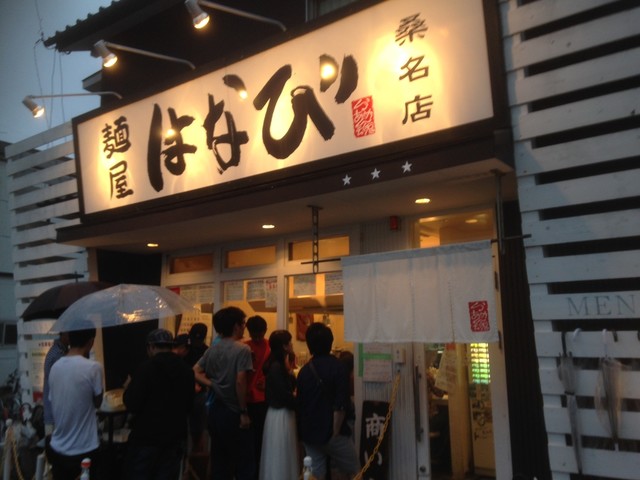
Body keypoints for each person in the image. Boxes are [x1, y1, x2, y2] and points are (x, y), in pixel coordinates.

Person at [123, 328, 195, 480]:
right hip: (174, 439)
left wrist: (128, 388)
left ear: (151, 347)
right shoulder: (187, 370)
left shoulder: (145, 368)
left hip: (146, 438)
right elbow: (190, 405)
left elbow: (132, 403)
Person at [194, 306, 255, 480]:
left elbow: (194, 371)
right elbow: (240, 381)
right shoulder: (242, 349)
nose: (244, 327)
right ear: (236, 326)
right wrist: (243, 412)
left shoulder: (212, 349)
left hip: (215, 410)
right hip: (234, 411)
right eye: (243, 324)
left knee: (220, 460)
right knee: (244, 461)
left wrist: (212, 384)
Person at [297, 323, 359, 480]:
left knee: (315, 475)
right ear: (330, 342)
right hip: (334, 434)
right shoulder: (339, 368)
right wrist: (335, 433)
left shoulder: (304, 371)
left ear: (309, 345)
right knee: (355, 471)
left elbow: (300, 405)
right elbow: (340, 405)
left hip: (311, 434)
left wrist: (302, 435)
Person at [46, 327, 103, 480]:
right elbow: (98, 402)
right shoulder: (94, 368)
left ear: (70, 339)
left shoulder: (55, 367)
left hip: (58, 448)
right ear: (91, 342)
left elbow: (53, 399)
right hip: (85, 448)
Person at [259, 330, 298, 480]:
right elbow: (284, 396)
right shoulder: (277, 367)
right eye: (290, 342)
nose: (292, 344)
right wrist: (298, 402)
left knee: (280, 453)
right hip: (281, 415)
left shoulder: (278, 365)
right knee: (281, 452)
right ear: (284, 346)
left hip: (278, 414)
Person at [243, 315, 270, 467]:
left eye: (261, 335)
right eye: (255, 335)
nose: (258, 338)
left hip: (263, 399)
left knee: (261, 437)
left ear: (265, 330)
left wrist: (267, 380)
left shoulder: (270, 346)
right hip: (247, 399)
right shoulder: (244, 347)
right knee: (249, 439)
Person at [43, 332, 69, 436]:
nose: (70, 337)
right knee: (53, 440)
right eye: (69, 334)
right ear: (63, 335)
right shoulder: (57, 353)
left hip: (54, 409)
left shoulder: (59, 350)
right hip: (54, 410)